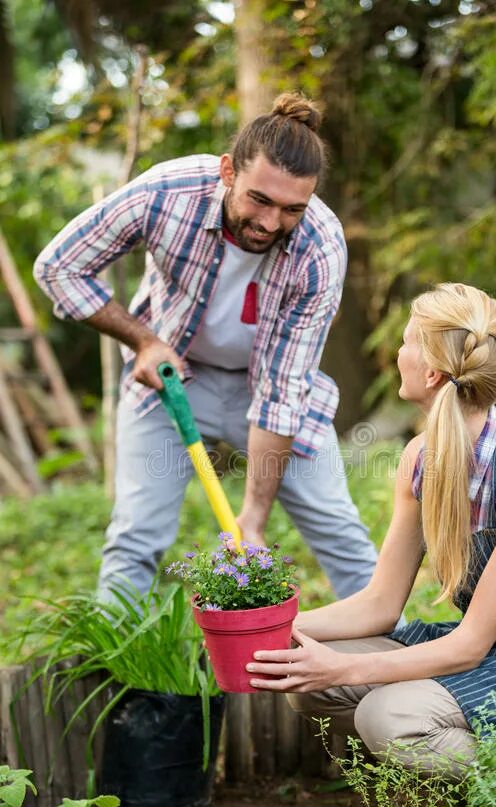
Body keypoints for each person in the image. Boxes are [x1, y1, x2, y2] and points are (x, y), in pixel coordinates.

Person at [33, 92, 379, 603]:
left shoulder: (320, 248)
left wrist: (253, 521)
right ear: (226, 172)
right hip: (173, 379)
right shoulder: (167, 193)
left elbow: (282, 393)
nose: (269, 223)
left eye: (291, 209)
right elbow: (58, 266)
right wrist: (143, 341)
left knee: (341, 533)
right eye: (259, 200)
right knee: (136, 535)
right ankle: (122, 676)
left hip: (268, 390)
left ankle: (391, 658)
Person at [246, 282, 496, 775]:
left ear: (431, 372)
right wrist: (268, 630)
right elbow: (381, 604)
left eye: (407, 341)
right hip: (494, 644)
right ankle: (451, 780)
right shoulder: (420, 458)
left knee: (388, 718)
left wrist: (348, 666)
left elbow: (469, 645)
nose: (398, 352)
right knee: (314, 682)